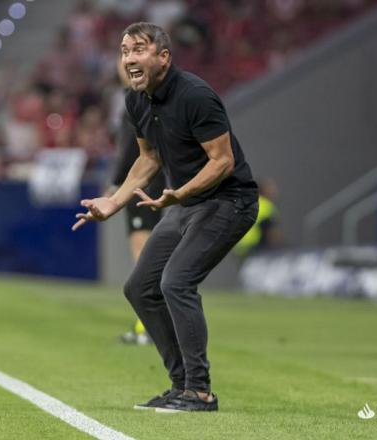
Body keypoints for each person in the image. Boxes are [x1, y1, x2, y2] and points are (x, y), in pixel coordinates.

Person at [73, 22, 258, 412]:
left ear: (163, 57)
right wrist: (113, 201)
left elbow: (222, 162)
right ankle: (181, 386)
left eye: (138, 49)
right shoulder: (136, 99)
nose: (129, 59)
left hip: (229, 201)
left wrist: (182, 193)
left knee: (176, 282)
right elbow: (149, 159)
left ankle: (201, 391)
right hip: (185, 203)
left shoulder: (196, 95)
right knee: (139, 287)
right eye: (124, 51)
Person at [109, 60, 165, 346]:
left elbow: (133, 150)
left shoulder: (137, 101)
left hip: (141, 184)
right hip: (151, 183)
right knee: (148, 254)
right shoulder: (143, 99)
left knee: (143, 254)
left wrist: (117, 183)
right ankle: (150, 322)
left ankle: (150, 324)